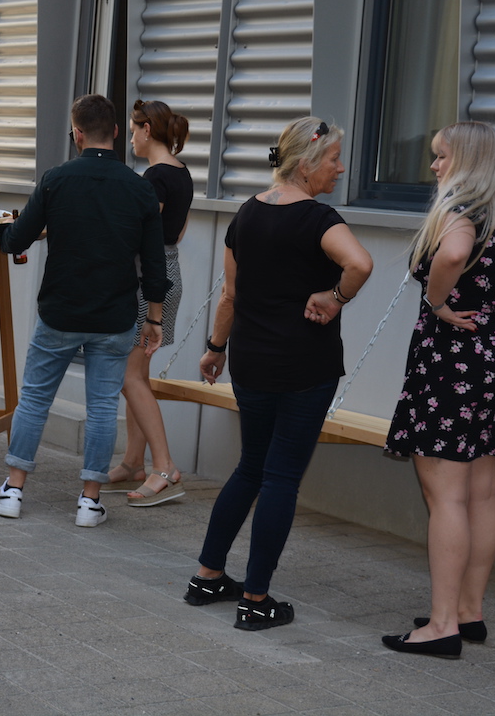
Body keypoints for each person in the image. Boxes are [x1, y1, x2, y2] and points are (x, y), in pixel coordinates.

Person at [184, 116, 372, 630]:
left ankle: (207, 577)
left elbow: (230, 295)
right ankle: (255, 599)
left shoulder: (246, 212)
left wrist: (215, 348)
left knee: (251, 467)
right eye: (334, 159)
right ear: (307, 164)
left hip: (251, 360)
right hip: (304, 365)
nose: (340, 169)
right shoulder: (319, 219)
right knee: (281, 477)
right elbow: (360, 263)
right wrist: (335, 298)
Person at [381, 121, 495, 658]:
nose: (434, 166)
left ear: (466, 161)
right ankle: (468, 612)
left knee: (445, 496)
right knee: (481, 492)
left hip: (454, 363)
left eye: (441, 156)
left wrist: (437, 302)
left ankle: (441, 625)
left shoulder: (461, 212)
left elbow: (449, 256)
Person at [0, 94, 169, 527]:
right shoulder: (140, 188)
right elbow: (154, 263)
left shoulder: (56, 179)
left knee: (35, 398)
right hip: (115, 315)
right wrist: (155, 318)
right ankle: (89, 501)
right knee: (103, 406)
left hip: (61, 310)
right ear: (118, 132)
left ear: (77, 133)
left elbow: (17, 240)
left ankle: (13, 490)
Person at [100, 99, 194, 506]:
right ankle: (133, 463)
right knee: (138, 374)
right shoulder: (181, 172)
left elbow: (141, 233)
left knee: (129, 377)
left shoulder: (154, 177)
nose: (131, 139)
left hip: (148, 279)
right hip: (169, 272)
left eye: (134, 131)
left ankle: (165, 467)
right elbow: (179, 231)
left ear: (147, 130)